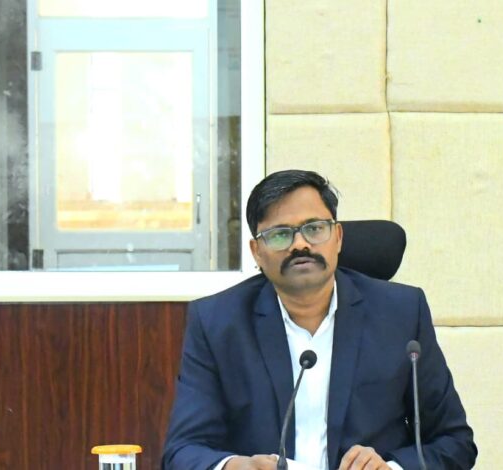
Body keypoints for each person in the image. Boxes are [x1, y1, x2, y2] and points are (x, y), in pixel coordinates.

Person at [162, 170, 477, 470]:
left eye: (314, 229)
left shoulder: (401, 313)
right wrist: (236, 466)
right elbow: (182, 451)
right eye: (280, 234)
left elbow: (454, 441)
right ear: (257, 252)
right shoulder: (217, 323)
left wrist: (390, 467)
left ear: (337, 237)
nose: (300, 244)